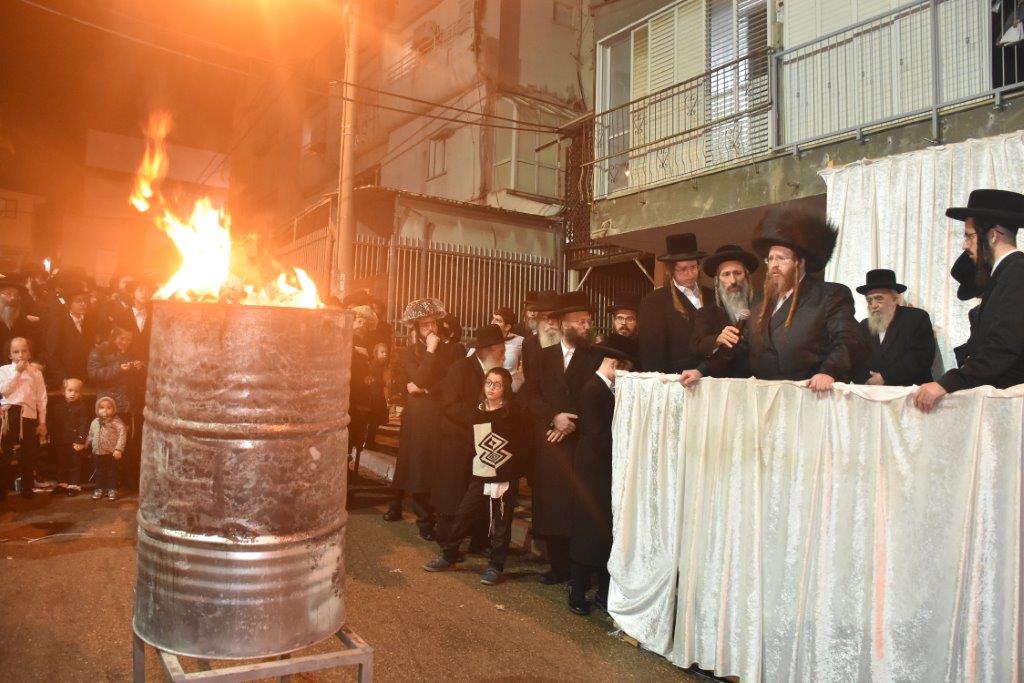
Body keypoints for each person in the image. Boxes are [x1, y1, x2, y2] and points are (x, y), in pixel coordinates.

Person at [681, 207, 865, 390]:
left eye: (781, 258)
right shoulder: (760, 301)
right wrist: (701, 371)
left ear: (800, 263)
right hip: (765, 395)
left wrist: (830, 371)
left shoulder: (829, 295)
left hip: (810, 393)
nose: (774, 265)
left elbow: (848, 340)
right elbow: (740, 348)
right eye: (770, 259)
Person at [915, 190, 1024, 411]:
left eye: (969, 236)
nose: (965, 245)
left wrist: (947, 383)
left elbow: (1003, 347)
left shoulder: (1017, 272)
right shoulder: (1003, 275)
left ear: (992, 236)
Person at [524, 290, 602, 584]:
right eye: (581, 322)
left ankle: (580, 568)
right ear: (564, 324)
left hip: (580, 442)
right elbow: (530, 395)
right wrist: (554, 417)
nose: (586, 326)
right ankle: (558, 567)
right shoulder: (542, 357)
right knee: (552, 504)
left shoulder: (595, 357)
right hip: (551, 442)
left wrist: (571, 423)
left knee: (578, 507)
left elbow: (598, 398)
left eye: (589, 321)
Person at [423, 366, 526, 584]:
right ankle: (449, 555)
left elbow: (521, 445)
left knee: (501, 523)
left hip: (504, 474)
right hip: (481, 472)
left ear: (506, 388)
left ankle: (496, 566)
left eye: (497, 384)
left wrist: (512, 471)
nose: (491, 388)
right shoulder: (477, 411)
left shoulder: (514, 413)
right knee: (463, 514)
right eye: (489, 382)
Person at [568, 334, 635, 616]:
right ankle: (577, 591)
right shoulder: (593, 390)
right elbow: (597, 437)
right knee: (588, 529)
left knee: (603, 530)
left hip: (603, 469)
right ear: (615, 365)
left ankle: (603, 592)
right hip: (593, 470)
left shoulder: (603, 388)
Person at [431, 325, 509, 559]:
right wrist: (480, 417)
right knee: (454, 493)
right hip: (457, 441)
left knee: (482, 494)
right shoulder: (460, 369)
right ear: (487, 351)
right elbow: (450, 405)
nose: (504, 356)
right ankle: (448, 543)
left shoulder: (496, 374)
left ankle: (479, 541)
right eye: (501, 352)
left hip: (483, 443)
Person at [386, 298, 458, 539]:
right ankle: (423, 519)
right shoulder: (411, 352)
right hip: (418, 415)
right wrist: (430, 351)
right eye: (425, 325)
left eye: (433, 323)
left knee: (436, 464)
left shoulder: (449, 349)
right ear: (416, 328)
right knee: (417, 463)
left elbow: (449, 382)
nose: (431, 328)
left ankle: (432, 513)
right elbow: (420, 377)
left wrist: (426, 390)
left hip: (439, 412)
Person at [638, 233, 714, 373]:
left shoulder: (712, 296)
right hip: (677, 378)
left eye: (693, 267)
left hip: (712, 375)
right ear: (671, 270)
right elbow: (652, 353)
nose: (690, 274)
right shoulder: (655, 302)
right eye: (683, 269)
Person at [853, 269, 936, 386]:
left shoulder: (916, 318)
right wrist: (868, 380)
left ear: (894, 298)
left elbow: (921, 357)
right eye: (869, 300)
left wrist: (885, 377)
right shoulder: (864, 326)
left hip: (910, 392)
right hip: (872, 392)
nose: (873, 305)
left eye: (879, 298)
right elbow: (855, 360)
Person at [694, 244, 759, 378]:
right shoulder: (706, 314)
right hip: (725, 382)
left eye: (738, 273)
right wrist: (717, 339)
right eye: (726, 274)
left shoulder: (763, 308)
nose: (733, 280)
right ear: (717, 281)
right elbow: (698, 346)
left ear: (747, 277)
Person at [0, 337, 47, 500]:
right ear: (10, 355)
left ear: (29, 353)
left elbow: (41, 398)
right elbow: (4, 390)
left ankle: (27, 488)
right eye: (15, 352)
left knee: (29, 453)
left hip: (28, 415)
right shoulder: (4, 370)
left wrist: (42, 421)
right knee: (5, 453)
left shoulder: (36, 373)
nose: (20, 355)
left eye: (24, 351)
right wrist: (17, 372)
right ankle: (2, 490)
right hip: (10, 414)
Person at [45, 284, 97, 387]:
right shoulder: (59, 324)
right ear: (69, 304)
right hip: (67, 378)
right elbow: (52, 355)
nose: (83, 304)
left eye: (85, 301)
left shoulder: (89, 323)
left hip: (86, 376)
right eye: (78, 301)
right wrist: (63, 378)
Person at [48, 377, 91, 496]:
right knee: (62, 463)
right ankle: (62, 483)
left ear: (80, 394)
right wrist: (51, 436)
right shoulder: (57, 406)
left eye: (76, 391)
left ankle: (73, 485)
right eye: (70, 390)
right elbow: (54, 423)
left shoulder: (81, 407)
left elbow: (84, 424)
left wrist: (81, 440)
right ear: (64, 391)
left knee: (74, 463)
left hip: (75, 441)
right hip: (60, 439)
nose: (73, 394)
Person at [88, 396, 127, 501]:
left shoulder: (116, 422)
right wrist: (85, 444)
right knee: (99, 472)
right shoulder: (95, 422)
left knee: (112, 472)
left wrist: (119, 449)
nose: (105, 410)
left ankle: (112, 489)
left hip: (111, 453)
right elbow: (91, 434)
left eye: (108, 408)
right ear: (97, 409)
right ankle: (99, 488)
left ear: (113, 409)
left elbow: (122, 435)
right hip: (98, 452)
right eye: (102, 407)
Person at [520, 290, 560, 381]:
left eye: (554, 317)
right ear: (538, 320)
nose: (550, 322)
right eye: (544, 317)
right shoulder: (528, 344)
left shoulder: (570, 343)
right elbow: (528, 377)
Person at [0, 276, 38, 358]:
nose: (13, 298)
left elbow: (33, 346)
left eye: (16, 295)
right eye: (8, 294)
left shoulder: (23, 320)